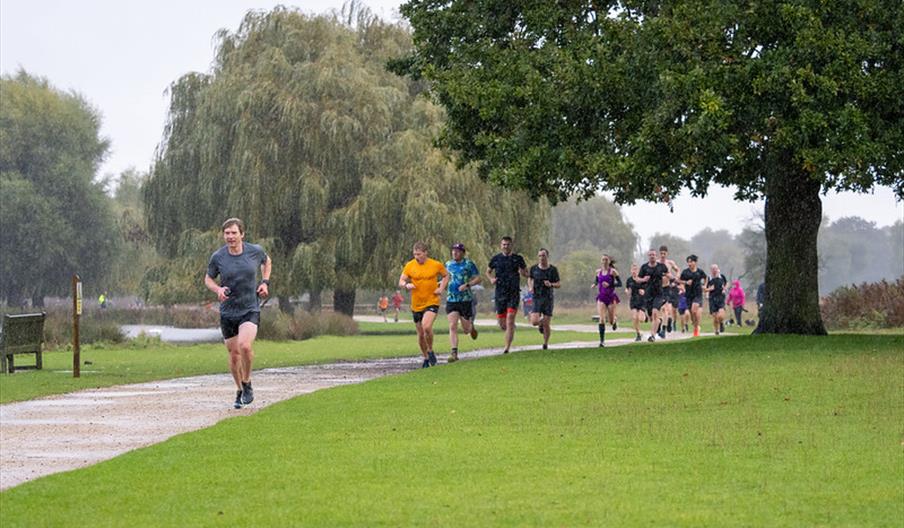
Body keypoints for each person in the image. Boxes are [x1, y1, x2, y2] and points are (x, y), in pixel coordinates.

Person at [204, 218, 271, 409]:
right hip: (228, 312)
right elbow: (208, 279)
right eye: (227, 233)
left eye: (234, 233)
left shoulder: (254, 251)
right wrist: (217, 289)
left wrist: (265, 282)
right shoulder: (218, 257)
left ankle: (247, 382)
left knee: (245, 347)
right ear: (223, 235)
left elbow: (267, 262)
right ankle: (239, 389)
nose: (230, 237)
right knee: (234, 355)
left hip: (249, 308)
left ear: (242, 234)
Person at [399, 241, 449, 368]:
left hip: (432, 300)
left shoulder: (435, 264)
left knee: (426, 326)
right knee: (421, 334)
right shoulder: (410, 266)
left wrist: (441, 288)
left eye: (419, 254)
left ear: (425, 253)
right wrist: (406, 284)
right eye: (415, 254)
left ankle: (430, 350)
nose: (417, 257)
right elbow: (401, 280)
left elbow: (446, 276)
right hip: (416, 304)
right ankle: (426, 358)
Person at [487, 236, 528, 354]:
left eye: (508, 244)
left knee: (510, 319)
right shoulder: (496, 259)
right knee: (502, 324)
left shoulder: (518, 258)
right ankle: (510, 329)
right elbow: (488, 271)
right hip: (500, 293)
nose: (506, 246)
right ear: (501, 246)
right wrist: (491, 279)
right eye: (504, 244)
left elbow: (526, 272)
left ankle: (507, 348)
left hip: (513, 293)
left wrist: (524, 273)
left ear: (511, 245)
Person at [445, 243, 481, 363]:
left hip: (465, 300)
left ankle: (471, 327)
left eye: (458, 251)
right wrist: (440, 285)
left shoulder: (468, 264)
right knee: (452, 325)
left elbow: (478, 278)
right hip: (451, 299)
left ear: (463, 253)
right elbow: (445, 278)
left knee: (466, 330)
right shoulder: (448, 264)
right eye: (453, 250)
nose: (455, 253)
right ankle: (454, 352)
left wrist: (467, 285)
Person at [528, 248, 561, 350]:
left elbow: (559, 284)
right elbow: (530, 278)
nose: (541, 258)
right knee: (534, 322)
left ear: (547, 256)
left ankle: (545, 343)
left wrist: (551, 284)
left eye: (543, 256)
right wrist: (530, 287)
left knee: (547, 324)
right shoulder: (534, 268)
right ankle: (540, 323)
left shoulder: (553, 270)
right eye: (540, 256)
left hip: (548, 298)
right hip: (537, 297)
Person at [637, 249, 670, 342]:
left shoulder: (661, 266)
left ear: (656, 256)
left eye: (654, 255)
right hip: (648, 295)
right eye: (650, 255)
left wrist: (674, 278)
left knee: (655, 313)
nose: (652, 256)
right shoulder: (644, 267)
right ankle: (658, 322)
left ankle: (652, 336)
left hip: (659, 294)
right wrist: (643, 279)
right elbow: (638, 279)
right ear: (648, 256)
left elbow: (668, 274)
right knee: (652, 317)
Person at [593, 254, 621, 347]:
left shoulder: (613, 272)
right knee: (601, 319)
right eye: (603, 260)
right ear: (601, 261)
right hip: (601, 297)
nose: (604, 261)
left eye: (606, 260)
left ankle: (615, 321)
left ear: (609, 261)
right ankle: (602, 341)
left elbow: (620, 283)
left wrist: (610, 285)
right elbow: (597, 280)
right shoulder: (598, 272)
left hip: (611, 297)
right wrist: (594, 284)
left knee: (611, 321)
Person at [679, 255, 708, 337]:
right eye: (688, 262)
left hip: (697, 294)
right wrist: (685, 284)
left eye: (691, 261)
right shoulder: (685, 272)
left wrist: (705, 285)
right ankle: (696, 327)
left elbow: (706, 278)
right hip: (688, 295)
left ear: (695, 262)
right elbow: (679, 280)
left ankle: (697, 327)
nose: (689, 263)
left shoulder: (700, 271)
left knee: (694, 310)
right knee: (693, 314)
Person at [658, 246, 681, 337]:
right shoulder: (656, 263)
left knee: (665, 309)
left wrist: (676, 278)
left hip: (667, 288)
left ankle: (663, 330)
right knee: (658, 310)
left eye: (664, 253)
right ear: (659, 254)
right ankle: (667, 320)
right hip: (658, 288)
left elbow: (678, 270)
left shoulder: (670, 263)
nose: (663, 255)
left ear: (667, 253)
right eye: (661, 253)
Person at [624, 263, 646, 342]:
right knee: (634, 317)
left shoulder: (642, 279)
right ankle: (638, 334)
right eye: (633, 269)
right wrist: (627, 291)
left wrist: (643, 291)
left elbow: (647, 288)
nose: (634, 271)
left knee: (641, 319)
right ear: (631, 270)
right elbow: (627, 288)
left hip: (642, 301)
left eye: (636, 269)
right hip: (633, 300)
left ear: (638, 270)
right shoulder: (629, 280)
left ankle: (645, 317)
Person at [706, 264, 728, 335]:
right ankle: (716, 330)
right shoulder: (708, 278)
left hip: (721, 297)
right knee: (715, 317)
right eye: (712, 269)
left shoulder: (722, 277)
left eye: (715, 268)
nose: (714, 270)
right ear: (711, 270)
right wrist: (710, 289)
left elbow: (727, 283)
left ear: (718, 269)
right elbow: (704, 288)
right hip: (712, 298)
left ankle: (721, 323)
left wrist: (724, 289)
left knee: (720, 316)